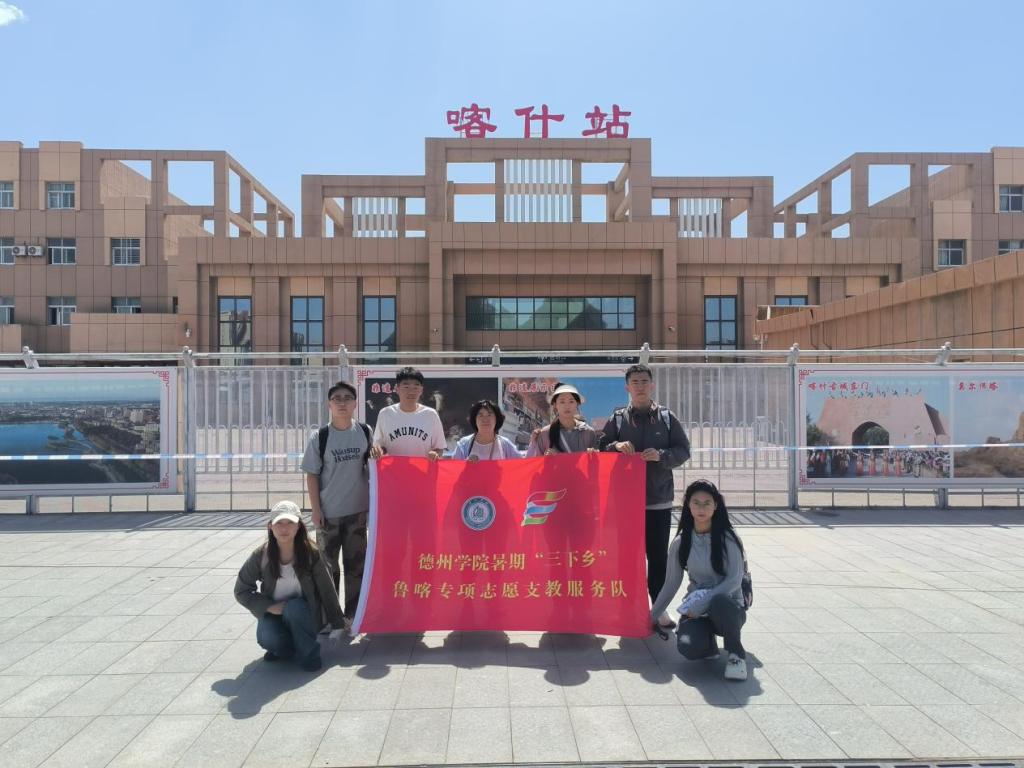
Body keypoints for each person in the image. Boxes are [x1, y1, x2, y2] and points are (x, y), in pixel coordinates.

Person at [601, 363, 691, 629]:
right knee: (627, 557)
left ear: (652, 385)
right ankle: (626, 606)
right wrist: (616, 446)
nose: (640, 387)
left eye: (644, 381)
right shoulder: (618, 419)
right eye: (635, 382)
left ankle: (658, 608)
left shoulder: (666, 417)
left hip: (658, 500)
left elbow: (683, 450)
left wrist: (661, 456)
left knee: (658, 557)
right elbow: (601, 448)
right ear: (627, 388)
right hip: (625, 502)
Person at [651, 479, 750, 681]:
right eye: (696, 503)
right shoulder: (681, 542)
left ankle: (736, 655)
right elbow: (670, 584)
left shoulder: (729, 539)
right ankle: (708, 645)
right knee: (688, 646)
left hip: (728, 608)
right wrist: (652, 616)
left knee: (720, 601)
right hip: (697, 611)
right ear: (688, 505)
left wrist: (701, 604)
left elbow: (733, 581)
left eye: (707, 503)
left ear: (716, 506)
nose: (701, 508)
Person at [233, 500, 346, 671]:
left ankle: (310, 655)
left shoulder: (312, 554)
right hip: (274, 612)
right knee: (267, 638)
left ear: (299, 526)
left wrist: (337, 622)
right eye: (279, 523)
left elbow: (326, 589)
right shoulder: (261, 555)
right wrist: (269, 607)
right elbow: (241, 590)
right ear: (270, 526)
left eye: (290, 523)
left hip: (304, 613)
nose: (284, 528)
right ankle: (285, 649)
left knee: (294, 608)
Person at [300, 380, 371, 619]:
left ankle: (354, 615)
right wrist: (316, 509)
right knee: (328, 569)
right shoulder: (320, 436)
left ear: (355, 404)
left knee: (356, 568)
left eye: (347, 398)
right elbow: (312, 475)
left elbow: (372, 465)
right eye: (336, 399)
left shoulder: (365, 432)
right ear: (329, 404)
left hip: (357, 513)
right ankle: (331, 617)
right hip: (328, 514)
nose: (342, 403)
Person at [371, 367, 446, 460]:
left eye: (415, 387)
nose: (411, 392)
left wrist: (435, 454)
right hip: (394, 468)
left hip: (421, 468)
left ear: (421, 390)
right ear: (397, 389)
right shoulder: (385, 414)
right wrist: (378, 451)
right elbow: (378, 446)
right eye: (406, 387)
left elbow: (439, 447)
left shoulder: (431, 415)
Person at [527, 382, 600, 456]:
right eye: (562, 402)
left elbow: (596, 462)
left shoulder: (588, 433)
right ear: (555, 405)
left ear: (577, 404)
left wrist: (594, 455)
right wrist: (546, 460)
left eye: (571, 401)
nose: (567, 406)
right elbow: (537, 462)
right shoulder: (545, 434)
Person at [452, 399, 521, 461]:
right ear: (475, 420)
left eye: (489, 415)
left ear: (497, 419)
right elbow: (455, 468)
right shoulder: (463, 445)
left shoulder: (506, 445)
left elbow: (521, 466)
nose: (485, 419)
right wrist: (466, 464)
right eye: (480, 415)